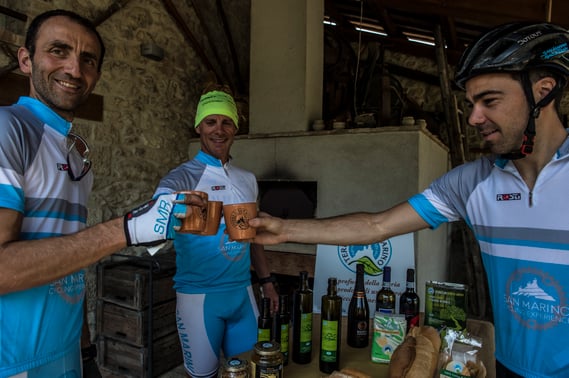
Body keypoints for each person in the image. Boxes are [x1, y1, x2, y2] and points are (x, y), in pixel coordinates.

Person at [250, 22, 569, 378]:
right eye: (471, 104)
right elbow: (377, 225)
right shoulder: (472, 182)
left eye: (490, 101)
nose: (474, 118)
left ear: (544, 91)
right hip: (505, 367)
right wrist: (284, 229)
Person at [0, 9, 203, 378]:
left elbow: (68, 262)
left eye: (87, 59)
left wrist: (86, 349)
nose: (74, 70)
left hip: (66, 353)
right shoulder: (8, 129)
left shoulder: (73, 152)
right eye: (58, 51)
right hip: (12, 363)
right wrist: (126, 229)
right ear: (26, 60)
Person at [153, 86, 278, 377]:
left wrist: (267, 282)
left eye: (227, 122)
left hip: (243, 295)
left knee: (250, 372)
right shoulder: (179, 179)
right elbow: (153, 228)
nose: (219, 130)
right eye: (211, 122)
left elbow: (253, 236)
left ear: (236, 128)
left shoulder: (247, 179)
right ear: (199, 127)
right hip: (199, 299)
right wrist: (171, 210)